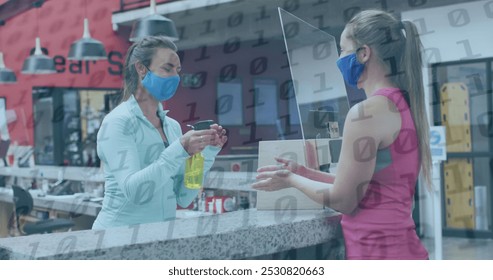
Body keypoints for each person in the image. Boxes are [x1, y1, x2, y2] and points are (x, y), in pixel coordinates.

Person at [253, 9, 431, 260]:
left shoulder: (365, 113)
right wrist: (304, 173)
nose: (339, 59)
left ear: (364, 53)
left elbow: (344, 200)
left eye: (342, 50)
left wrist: (290, 180)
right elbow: (365, 187)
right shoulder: (402, 104)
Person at [92, 36, 227, 229]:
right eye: (167, 68)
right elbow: (135, 192)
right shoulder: (118, 122)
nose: (175, 77)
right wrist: (180, 149)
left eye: (177, 70)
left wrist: (206, 154)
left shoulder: (172, 126)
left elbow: (183, 196)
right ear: (141, 68)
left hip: (159, 235)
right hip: (118, 237)